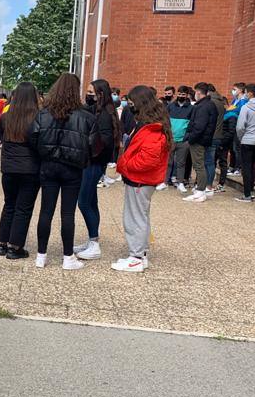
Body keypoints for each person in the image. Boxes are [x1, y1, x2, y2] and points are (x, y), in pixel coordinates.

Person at [29, 73, 98, 270]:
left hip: (48, 165)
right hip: (72, 168)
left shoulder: (43, 114)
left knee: (46, 210)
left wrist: (44, 153)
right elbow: (94, 144)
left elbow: (32, 137)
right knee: (67, 213)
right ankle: (68, 257)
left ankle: (41, 255)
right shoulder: (86, 116)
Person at [111, 86, 171, 273]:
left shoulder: (151, 129)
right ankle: (140, 254)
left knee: (135, 218)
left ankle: (136, 257)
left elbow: (147, 160)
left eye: (131, 103)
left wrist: (125, 164)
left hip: (140, 179)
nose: (129, 107)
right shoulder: (150, 125)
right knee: (140, 217)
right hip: (141, 179)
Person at [0, 82, 41, 260]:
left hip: (8, 168)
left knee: (9, 205)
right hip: (30, 169)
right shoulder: (37, 117)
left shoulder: (7, 116)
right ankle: (15, 247)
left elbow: (0, 136)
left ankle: (2, 244)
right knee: (23, 209)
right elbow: (39, 143)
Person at [75, 79, 120, 259]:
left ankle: (94, 244)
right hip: (93, 162)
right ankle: (92, 239)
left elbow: (105, 141)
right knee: (91, 201)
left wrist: (88, 151)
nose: (88, 95)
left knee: (84, 202)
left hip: (93, 162)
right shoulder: (101, 111)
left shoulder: (104, 114)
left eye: (91, 93)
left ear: (100, 94)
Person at [182, 82, 216, 202]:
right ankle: (201, 189)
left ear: (198, 92)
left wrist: (190, 138)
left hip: (199, 140)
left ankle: (201, 191)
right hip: (204, 139)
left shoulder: (203, 106)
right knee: (202, 165)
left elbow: (199, 126)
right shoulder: (209, 104)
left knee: (199, 166)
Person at [166, 86, 193, 192]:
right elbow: (165, 121)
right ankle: (164, 182)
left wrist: (187, 137)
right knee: (168, 161)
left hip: (183, 140)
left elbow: (192, 124)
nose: (181, 96)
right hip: (171, 139)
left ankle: (180, 182)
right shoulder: (171, 106)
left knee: (181, 163)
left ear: (186, 96)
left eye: (183, 95)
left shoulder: (191, 108)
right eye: (179, 94)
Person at [207, 84, 227, 193]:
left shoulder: (211, 102)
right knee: (211, 162)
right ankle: (209, 184)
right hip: (218, 135)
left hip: (211, 135)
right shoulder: (221, 102)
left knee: (208, 162)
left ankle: (207, 185)